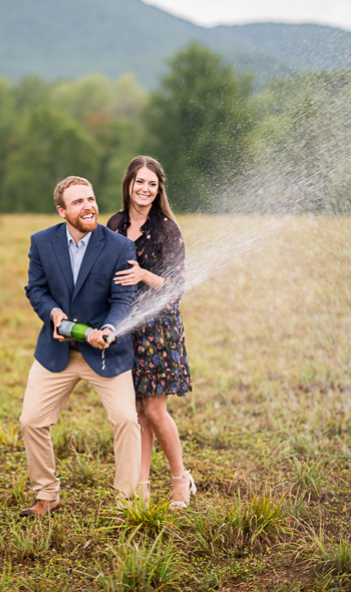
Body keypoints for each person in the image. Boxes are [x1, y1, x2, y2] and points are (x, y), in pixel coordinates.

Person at [18, 176, 140, 517]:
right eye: (78, 202)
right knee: (31, 421)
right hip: (56, 354)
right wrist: (54, 315)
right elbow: (36, 290)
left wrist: (110, 328)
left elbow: (124, 298)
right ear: (62, 210)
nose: (88, 206)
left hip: (105, 354)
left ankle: (127, 503)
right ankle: (47, 495)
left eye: (90, 199)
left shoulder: (119, 246)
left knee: (127, 421)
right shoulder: (42, 242)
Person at [106, 155, 195, 509]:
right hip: (127, 326)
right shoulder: (114, 224)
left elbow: (177, 285)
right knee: (139, 410)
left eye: (152, 184)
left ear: (158, 190)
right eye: (139, 181)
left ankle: (180, 480)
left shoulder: (166, 229)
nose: (145, 189)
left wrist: (144, 275)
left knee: (156, 411)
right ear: (128, 183)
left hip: (159, 328)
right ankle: (140, 486)